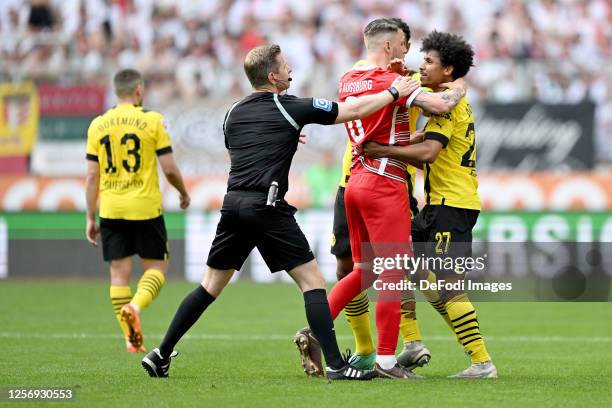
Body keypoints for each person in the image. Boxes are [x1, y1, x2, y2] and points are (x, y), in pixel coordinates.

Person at [140, 44, 421, 380]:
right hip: (268, 205)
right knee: (313, 282)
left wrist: (284, 137)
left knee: (209, 286)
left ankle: (161, 353)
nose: (292, 71)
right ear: (272, 77)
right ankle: (335, 366)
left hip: (233, 205)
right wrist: (393, 91)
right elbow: (350, 111)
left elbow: (242, 153)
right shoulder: (289, 106)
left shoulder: (233, 112)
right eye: (286, 67)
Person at [330, 18, 467, 373]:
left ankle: (315, 329)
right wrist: (458, 86)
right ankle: (388, 360)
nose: (409, 51)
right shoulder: (394, 82)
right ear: (390, 45)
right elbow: (439, 107)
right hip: (385, 182)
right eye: (405, 44)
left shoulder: (348, 79)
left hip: (354, 181)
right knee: (393, 273)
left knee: (363, 272)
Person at [364, 30, 498, 379]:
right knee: (406, 269)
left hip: (453, 205)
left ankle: (483, 363)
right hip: (439, 204)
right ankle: (412, 343)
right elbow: (428, 152)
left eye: (429, 62)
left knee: (450, 283)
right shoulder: (446, 99)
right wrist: (410, 142)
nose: (421, 67)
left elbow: (429, 153)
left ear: (448, 70)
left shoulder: (447, 108)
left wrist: (385, 151)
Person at [85, 69, 191, 353]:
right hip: (145, 207)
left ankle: (131, 338)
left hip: (110, 208)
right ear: (139, 91)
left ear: (116, 91)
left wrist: (89, 216)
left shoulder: (98, 125)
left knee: (118, 275)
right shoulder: (152, 120)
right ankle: (135, 306)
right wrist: (182, 192)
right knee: (156, 267)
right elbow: (168, 168)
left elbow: (92, 177)